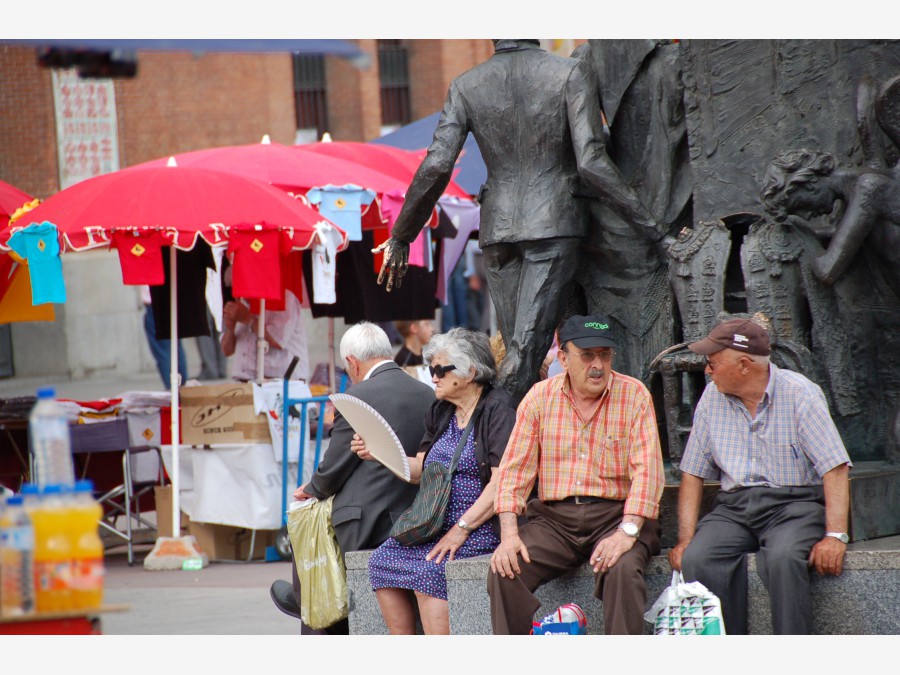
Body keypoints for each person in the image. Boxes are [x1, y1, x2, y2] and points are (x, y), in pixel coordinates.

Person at [373, 40, 664, 404]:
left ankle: (501, 446)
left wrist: (402, 235)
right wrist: (650, 226)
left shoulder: (467, 84)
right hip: (552, 227)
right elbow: (590, 161)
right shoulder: (570, 72)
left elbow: (437, 164)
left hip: (500, 233)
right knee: (522, 356)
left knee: (517, 351)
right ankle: (492, 445)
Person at [667, 317, 852, 635]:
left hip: (794, 504)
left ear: (742, 365)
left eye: (713, 363)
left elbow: (834, 467)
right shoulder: (712, 398)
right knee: (697, 558)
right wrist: (685, 540)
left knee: (782, 559)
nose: (707, 371)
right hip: (734, 507)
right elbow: (692, 473)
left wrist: (835, 535)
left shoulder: (800, 395)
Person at [487, 314, 665, 635]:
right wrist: (510, 535)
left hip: (618, 513)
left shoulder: (634, 394)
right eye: (587, 355)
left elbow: (648, 473)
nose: (597, 364)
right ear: (564, 358)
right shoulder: (539, 398)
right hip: (556, 521)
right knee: (504, 570)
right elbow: (514, 472)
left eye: (604, 354)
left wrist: (627, 532)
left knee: (623, 570)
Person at [269, 322, 435, 634]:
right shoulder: (426, 392)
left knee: (307, 513)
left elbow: (333, 470)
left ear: (352, 363)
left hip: (371, 521)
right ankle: (307, 603)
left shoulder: (356, 397)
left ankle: (305, 599)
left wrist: (311, 488)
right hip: (418, 511)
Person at [358, 327, 516, 634]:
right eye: (432, 370)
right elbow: (419, 469)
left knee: (430, 572)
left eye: (441, 370)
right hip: (434, 521)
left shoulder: (498, 408)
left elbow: (501, 484)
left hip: (478, 526)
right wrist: (379, 453)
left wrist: (461, 530)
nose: (434, 377)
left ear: (470, 372)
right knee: (381, 561)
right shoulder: (441, 410)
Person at [219, 260, 309, 382]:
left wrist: (249, 319)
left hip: (282, 381)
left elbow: (277, 340)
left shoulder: (285, 298)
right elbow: (227, 350)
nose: (237, 293)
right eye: (233, 288)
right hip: (246, 380)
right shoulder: (240, 304)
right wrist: (230, 328)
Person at [140, 285, 187, 390]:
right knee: (176, 349)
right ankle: (181, 387)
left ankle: (172, 388)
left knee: (164, 352)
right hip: (170, 303)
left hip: (155, 305)